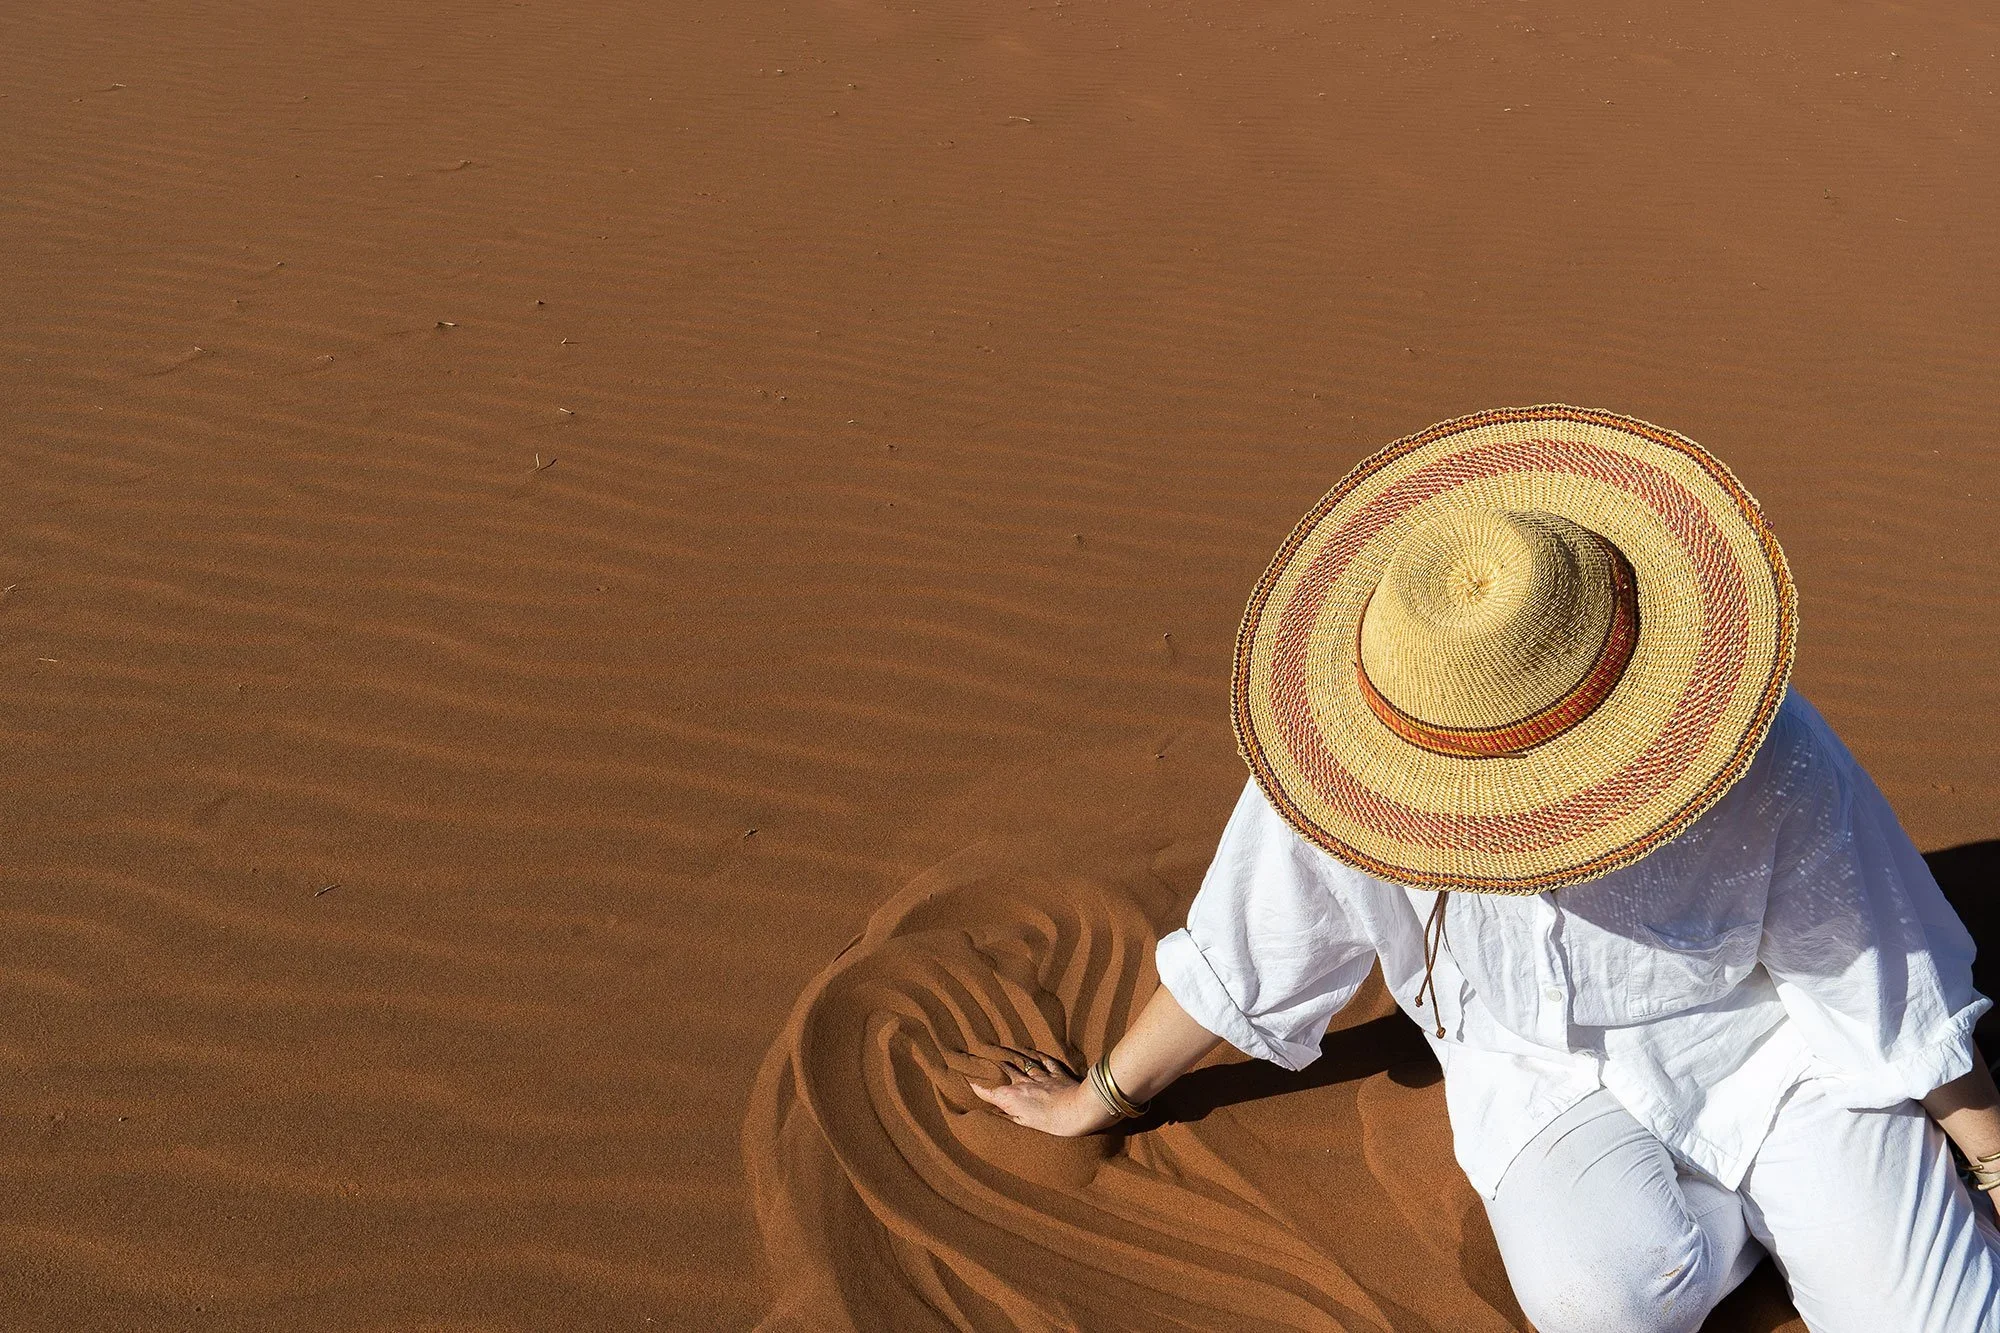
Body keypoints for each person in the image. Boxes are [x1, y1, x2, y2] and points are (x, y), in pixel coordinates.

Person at [970, 406, 2000, 1332]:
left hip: (1775, 1052)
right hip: (1536, 1071)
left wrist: (1989, 1152)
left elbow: (1871, 960)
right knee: (1596, 1306)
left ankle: (1774, 1218)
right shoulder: (1345, 771)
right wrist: (1101, 1093)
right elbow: (1248, 951)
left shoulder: (1753, 747)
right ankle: (1735, 1235)